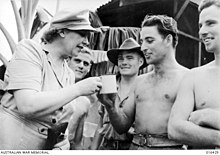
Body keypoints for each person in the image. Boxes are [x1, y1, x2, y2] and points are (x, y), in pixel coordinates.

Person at [0, 9, 102, 150]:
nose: (87, 42)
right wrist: (78, 89)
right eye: (83, 34)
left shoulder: (68, 73)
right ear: (62, 31)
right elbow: (27, 104)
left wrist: (63, 142)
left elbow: (59, 119)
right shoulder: (30, 50)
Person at [98, 14, 189, 150]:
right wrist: (111, 107)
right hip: (135, 148)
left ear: (168, 40)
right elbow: (122, 127)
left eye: (149, 40)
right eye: (142, 41)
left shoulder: (188, 78)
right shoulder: (140, 81)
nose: (143, 47)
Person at [168, 0, 220, 149]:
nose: (201, 32)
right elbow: (175, 129)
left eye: (210, 23)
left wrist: (207, 116)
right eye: (200, 25)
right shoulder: (194, 76)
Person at [92, 37, 148, 150]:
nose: (124, 62)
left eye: (130, 58)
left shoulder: (145, 88)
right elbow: (101, 124)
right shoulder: (108, 86)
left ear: (140, 62)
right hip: (106, 147)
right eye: (121, 59)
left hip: (132, 147)